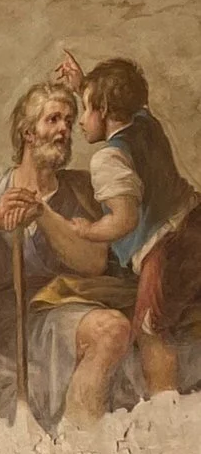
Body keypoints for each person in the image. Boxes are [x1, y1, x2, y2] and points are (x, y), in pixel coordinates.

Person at [0, 79, 131, 427]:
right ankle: (78, 443)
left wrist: (43, 215)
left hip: (69, 306)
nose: (64, 129)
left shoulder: (80, 189)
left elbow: (94, 263)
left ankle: (79, 434)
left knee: (112, 330)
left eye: (69, 121)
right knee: (109, 330)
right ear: (28, 133)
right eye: (53, 120)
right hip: (14, 323)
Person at [55, 53, 201, 395]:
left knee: (151, 331)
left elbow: (125, 220)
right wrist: (84, 88)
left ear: (104, 111)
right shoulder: (146, 124)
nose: (79, 122)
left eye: (86, 109)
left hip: (167, 249)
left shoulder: (108, 158)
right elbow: (121, 104)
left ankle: (163, 403)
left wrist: (87, 231)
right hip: (196, 222)